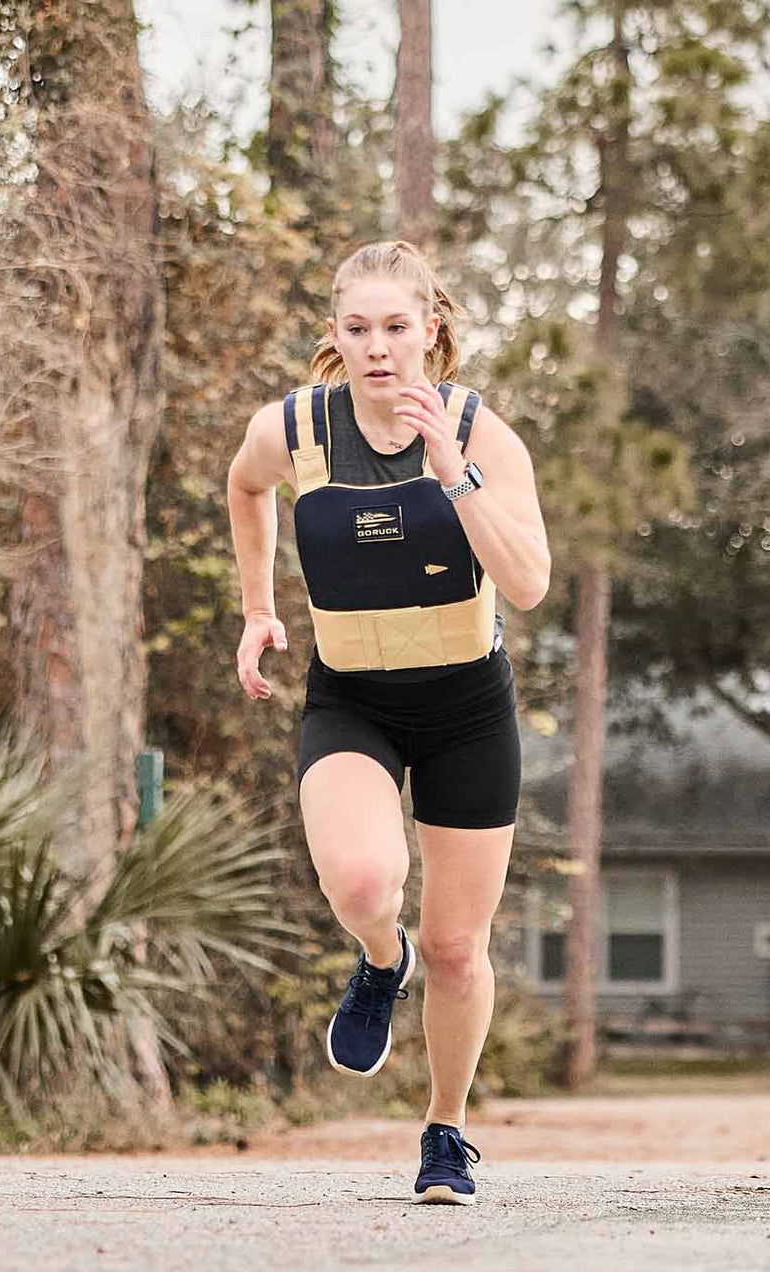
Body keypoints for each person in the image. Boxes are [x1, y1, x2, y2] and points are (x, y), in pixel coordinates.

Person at [226, 239, 550, 1205]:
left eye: (397, 328)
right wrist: (256, 607)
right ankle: (378, 959)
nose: (378, 348)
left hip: (466, 708)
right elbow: (245, 487)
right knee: (366, 880)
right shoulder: (294, 429)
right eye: (358, 329)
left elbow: (529, 585)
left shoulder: (480, 433)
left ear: (430, 333)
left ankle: (445, 1131)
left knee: (459, 947)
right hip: (353, 698)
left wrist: (456, 473)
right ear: (335, 337)